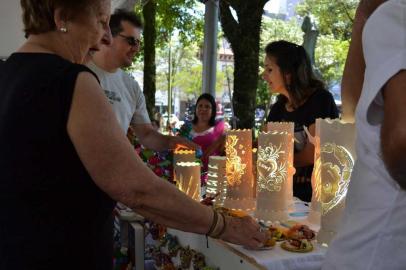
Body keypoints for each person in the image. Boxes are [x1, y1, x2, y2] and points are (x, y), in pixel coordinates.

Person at [0, 1, 266, 269]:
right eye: (101, 22)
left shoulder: (8, 72)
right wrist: (223, 225)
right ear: (62, 18)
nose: (105, 36)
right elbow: (137, 189)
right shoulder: (73, 81)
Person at [322, 0, 406, 269]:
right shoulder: (393, 15)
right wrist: (366, 14)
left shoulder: (396, 14)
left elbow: (401, 139)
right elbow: (352, 109)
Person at [88, 9, 195, 151]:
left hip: (112, 170)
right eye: (131, 41)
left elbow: (146, 135)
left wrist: (171, 142)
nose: (136, 48)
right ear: (107, 36)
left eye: (139, 43)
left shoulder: (131, 86)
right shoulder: (75, 70)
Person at [262, 40, 338, 202]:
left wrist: (277, 165)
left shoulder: (320, 100)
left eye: (269, 69)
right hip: (281, 195)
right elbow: (265, 149)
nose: (264, 75)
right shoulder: (278, 108)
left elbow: (313, 154)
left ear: (288, 73)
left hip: (316, 198)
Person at [178, 93, 227, 185]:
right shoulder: (186, 127)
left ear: (213, 110)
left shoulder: (219, 128)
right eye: (200, 106)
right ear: (196, 108)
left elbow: (223, 151)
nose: (203, 109)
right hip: (188, 175)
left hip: (213, 178)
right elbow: (177, 148)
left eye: (207, 107)